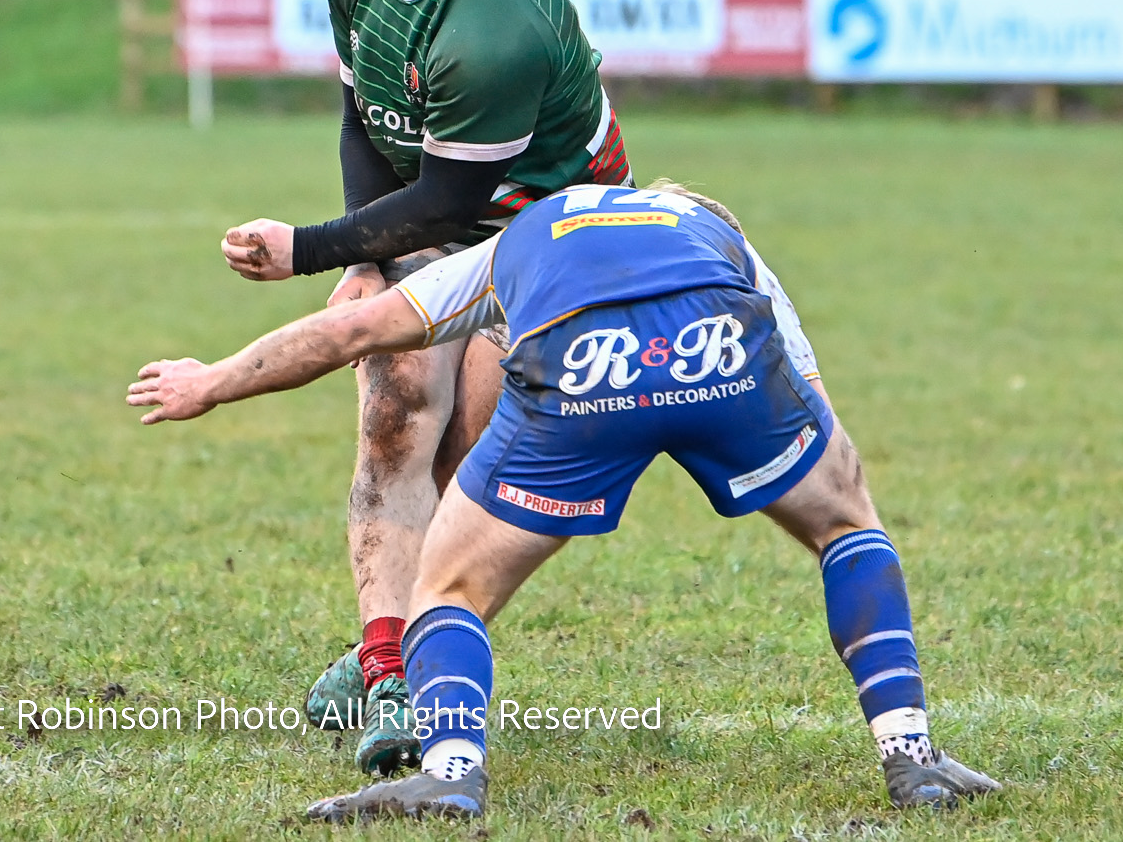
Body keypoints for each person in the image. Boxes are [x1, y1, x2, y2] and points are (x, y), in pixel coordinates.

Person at [132, 181, 999, 820]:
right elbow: (808, 397)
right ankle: (912, 754)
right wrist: (827, 485)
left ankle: (451, 773)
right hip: (720, 341)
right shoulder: (721, 236)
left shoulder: (521, 238)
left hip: (585, 363)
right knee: (847, 524)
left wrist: (212, 381)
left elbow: (351, 330)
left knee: (447, 584)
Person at [217, 0, 629, 773]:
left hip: (548, 235)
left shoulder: (493, 25)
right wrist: (361, 260)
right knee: (396, 409)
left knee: (470, 459)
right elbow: (364, 117)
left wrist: (309, 249)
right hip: (446, 212)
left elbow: (451, 200)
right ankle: (390, 671)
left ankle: (406, 649)